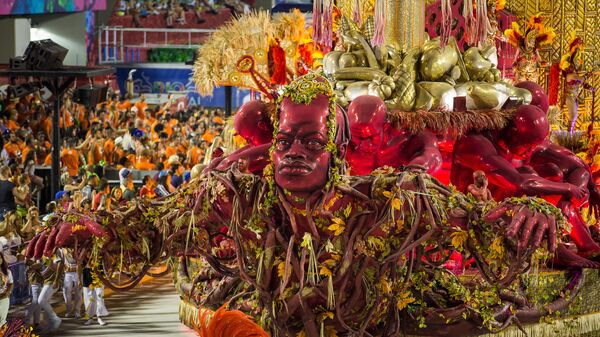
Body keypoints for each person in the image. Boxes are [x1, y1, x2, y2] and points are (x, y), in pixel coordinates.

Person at [38, 254, 63, 332]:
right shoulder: (41, 254)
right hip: (46, 282)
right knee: (45, 302)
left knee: (41, 300)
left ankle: (55, 319)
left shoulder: (52, 252)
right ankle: (51, 323)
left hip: (52, 282)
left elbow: (60, 264)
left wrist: (56, 280)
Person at [81, 260, 108, 326]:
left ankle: (99, 317)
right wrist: (79, 279)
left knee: (99, 297)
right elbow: (78, 265)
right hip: (86, 275)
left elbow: (107, 262)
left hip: (98, 275)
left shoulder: (99, 252)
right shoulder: (82, 254)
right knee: (88, 299)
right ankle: (90, 318)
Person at [59, 248, 82, 319]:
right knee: (66, 292)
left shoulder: (78, 247)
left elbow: (80, 263)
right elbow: (61, 262)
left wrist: (79, 280)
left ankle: (77, 312)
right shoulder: (62, 249)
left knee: (78, 293)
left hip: (78, 272)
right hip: (67, 273)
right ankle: (69, 310)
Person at [0, 253, 13, 326]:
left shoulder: (7, 272)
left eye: (0, 258)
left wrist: (8, 291)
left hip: (3, 298)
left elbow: (11, 283)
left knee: (1, 320)